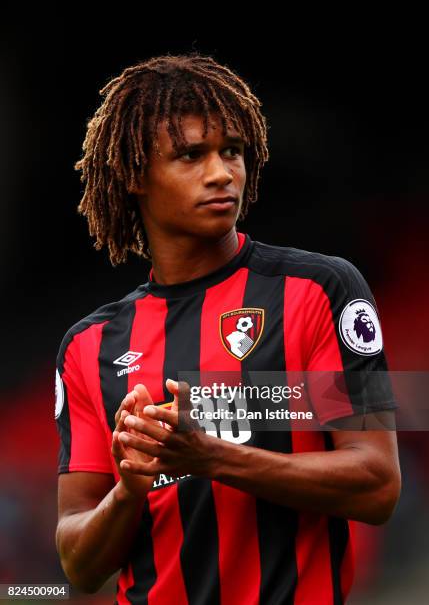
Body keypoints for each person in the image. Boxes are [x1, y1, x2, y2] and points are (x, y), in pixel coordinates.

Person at [54, 53, 401, 604]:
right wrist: (129, 491)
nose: (222, 173)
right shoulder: (90, 346)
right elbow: (77, 563)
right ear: (133, 175)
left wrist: (210, 457)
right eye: (191, 155)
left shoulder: (321, 290)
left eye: (232, 152)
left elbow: (379, 483)